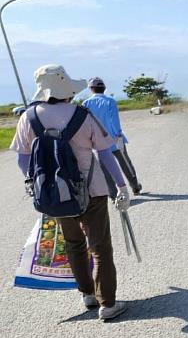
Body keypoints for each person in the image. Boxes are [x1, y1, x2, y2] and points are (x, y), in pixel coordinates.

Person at [11, 64, 131, 321]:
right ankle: (107, 303)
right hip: (93, 191)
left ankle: (87, 294)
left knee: (74, 244)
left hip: (56, 195)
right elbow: (105, 153)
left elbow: (22, 159)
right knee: (100, 247)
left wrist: (37, 184)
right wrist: (121, 186)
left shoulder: (28, 118)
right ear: (66, 88)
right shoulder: (82, 115)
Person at [82, 77, 143, 195]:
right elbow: (114, 121)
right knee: (125, 163)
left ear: (91, 89)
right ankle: (135, 186)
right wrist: (119, 135)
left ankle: (113, 194)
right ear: (104, 88)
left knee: (104, 169)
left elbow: (87, 123)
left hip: (98, 142)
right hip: (114, 139)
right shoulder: (110, 101)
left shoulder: (86, 103)